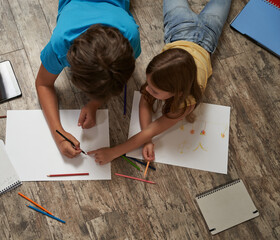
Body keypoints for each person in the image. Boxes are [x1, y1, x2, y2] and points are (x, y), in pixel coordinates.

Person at [88, 0, 232, 164]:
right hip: (180, 29)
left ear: (178, 93)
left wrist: (113, 152)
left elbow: (152, 129)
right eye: (149, 84)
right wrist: (147, 140)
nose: (147, 90)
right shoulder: (160, 75)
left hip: (207, 37)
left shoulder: (187, 102)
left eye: (155, 91)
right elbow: (145, 104)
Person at [35, 0, 141, 158]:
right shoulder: (61, 43)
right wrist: (58, 133)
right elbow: (43, 84)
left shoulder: (130, 36)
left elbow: (44, 83)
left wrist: (94, 104)